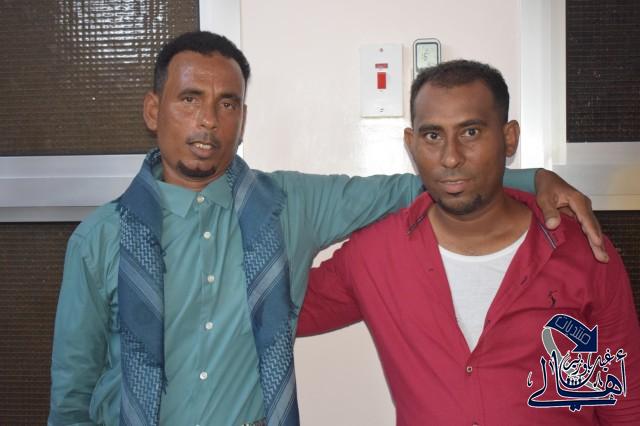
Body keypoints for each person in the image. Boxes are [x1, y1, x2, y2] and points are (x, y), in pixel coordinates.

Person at [48, 31, 604, 426]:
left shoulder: (288, 204)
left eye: (228, 104)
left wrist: (532, 178)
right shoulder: (99, 239)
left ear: (243, 119)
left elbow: (416, 185)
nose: (208, 120)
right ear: (154, 110)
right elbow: (72, 397)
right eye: (189, 99)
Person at [297, 60, 640, 424]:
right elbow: (271, 312)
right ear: (411, 144)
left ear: (509, 137)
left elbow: (624, 401)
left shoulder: (582, 251)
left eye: (470, 132)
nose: (450, 157)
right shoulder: (374, 255)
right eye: (433, 136)